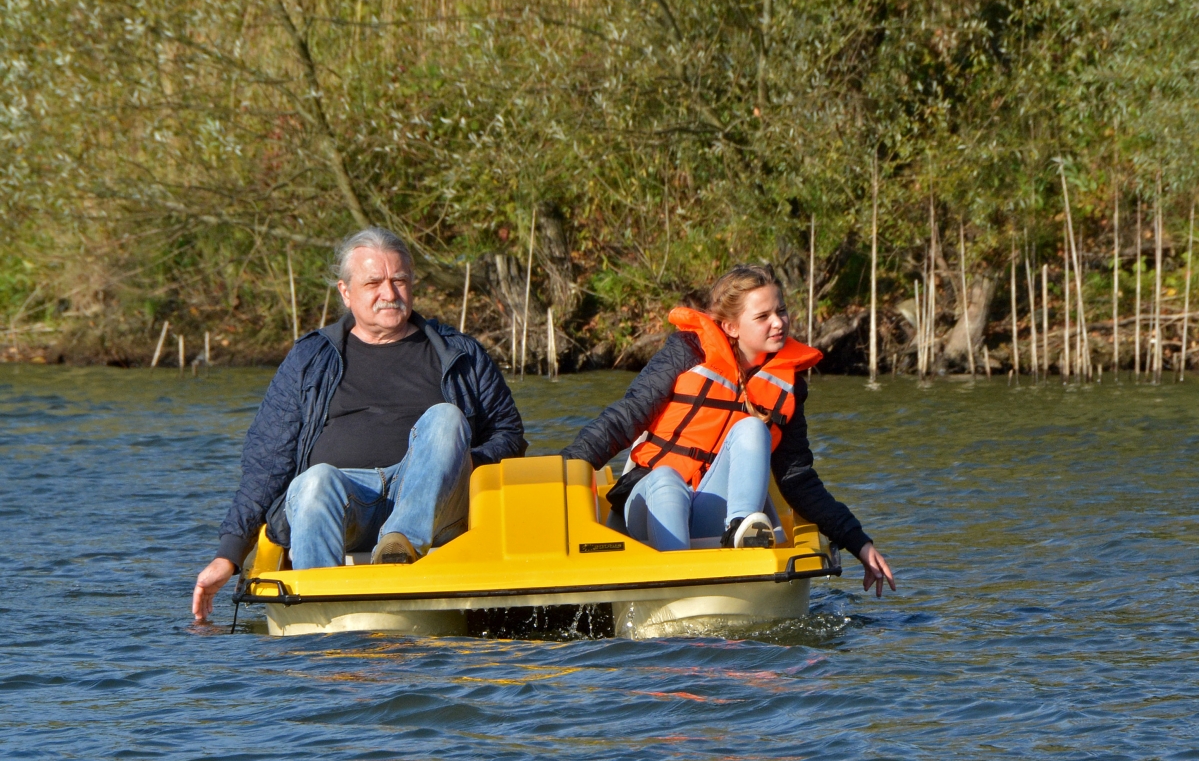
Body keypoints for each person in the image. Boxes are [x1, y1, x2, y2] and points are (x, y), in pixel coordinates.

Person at [192, 227, 527, 621]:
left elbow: (510, 436)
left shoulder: (461, 353)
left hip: (435, 505)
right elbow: (266, 464)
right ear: (345, 292)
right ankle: (319, 618)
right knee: (314, 482)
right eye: (374, 282)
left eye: (399, 280)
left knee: (446, 419)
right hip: (345, 504)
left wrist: (458, 463)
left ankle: (400, 543)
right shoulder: (308, 360)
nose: (389, 292)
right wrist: (229, 555)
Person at [561, 265, 895, 596]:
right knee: (665, 477)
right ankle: (675, 587)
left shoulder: (789, 387)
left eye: (781, 310)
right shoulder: (687, 353)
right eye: (763, 316)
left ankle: (742, 532)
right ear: (731, 327)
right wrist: (558, 473)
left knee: (752, 427)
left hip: (712, 517)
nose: (779, 322)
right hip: (651, 509)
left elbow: (798, 479)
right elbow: (625, 417)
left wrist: (858, 542)